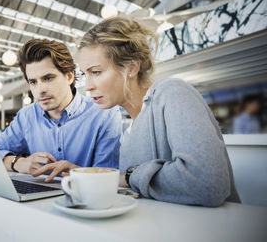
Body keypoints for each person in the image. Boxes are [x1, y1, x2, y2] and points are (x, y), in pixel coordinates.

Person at [77, 16, 240, 207]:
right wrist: (86, 174)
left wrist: (129, 177)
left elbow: (209, 183)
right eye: (84, 74)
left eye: (96, 72)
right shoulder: (130, 130)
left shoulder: (172, 92)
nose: (87, 86)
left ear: (131, 67)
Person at [0, 39, 121, 182]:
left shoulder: (104, 114)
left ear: (69, 76)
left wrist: (77, 172)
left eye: (48, 78)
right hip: (35, 200)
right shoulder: (26, 116)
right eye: (33, 82)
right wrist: (17, 162)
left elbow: (108, 177)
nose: (40, 90)